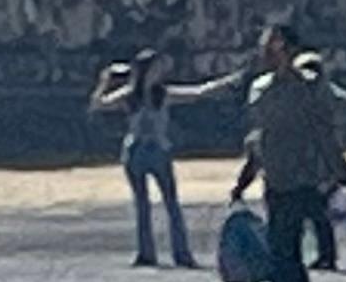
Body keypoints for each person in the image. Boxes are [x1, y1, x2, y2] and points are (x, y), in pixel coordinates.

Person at [232, 28, 346, 282]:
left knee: (287, 254)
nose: (268, 52)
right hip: (276, 178)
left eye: (276, 46)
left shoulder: (312, 88)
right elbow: (261, 135)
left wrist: (337, 166)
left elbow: (325, 129)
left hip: (303, 178)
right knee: (282, 253)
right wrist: (247, 176)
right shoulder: (260, 88)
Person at [90, 49, 239, 269]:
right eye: (156, 67)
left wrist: (224, 82)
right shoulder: (130, 95)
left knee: (171, 203)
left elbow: (197, 92)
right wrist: (105, 80)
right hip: (137, 150)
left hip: (158, 149)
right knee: (142, 204)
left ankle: (181, 254)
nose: (160, 71)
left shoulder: (162, 94)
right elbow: (99, 104)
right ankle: (147, 253)